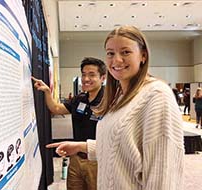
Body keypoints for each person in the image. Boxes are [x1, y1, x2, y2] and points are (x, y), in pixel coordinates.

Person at [47, 26, 184, 190]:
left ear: (143, 56)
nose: (116, 60)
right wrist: (81, 146)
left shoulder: (157, 95)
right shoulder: (119, 97)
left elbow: (163, 174)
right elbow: (121, 147)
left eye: (125, 52)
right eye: (110, 53)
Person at [32, 57, 107, 190]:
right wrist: (47, 92)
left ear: (102, 78)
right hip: (76, 159)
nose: (86, 79)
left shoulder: (109, 101)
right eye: (83, 74)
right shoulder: (79, 99)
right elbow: (56, 109)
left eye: (92, 75)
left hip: (98, 161)